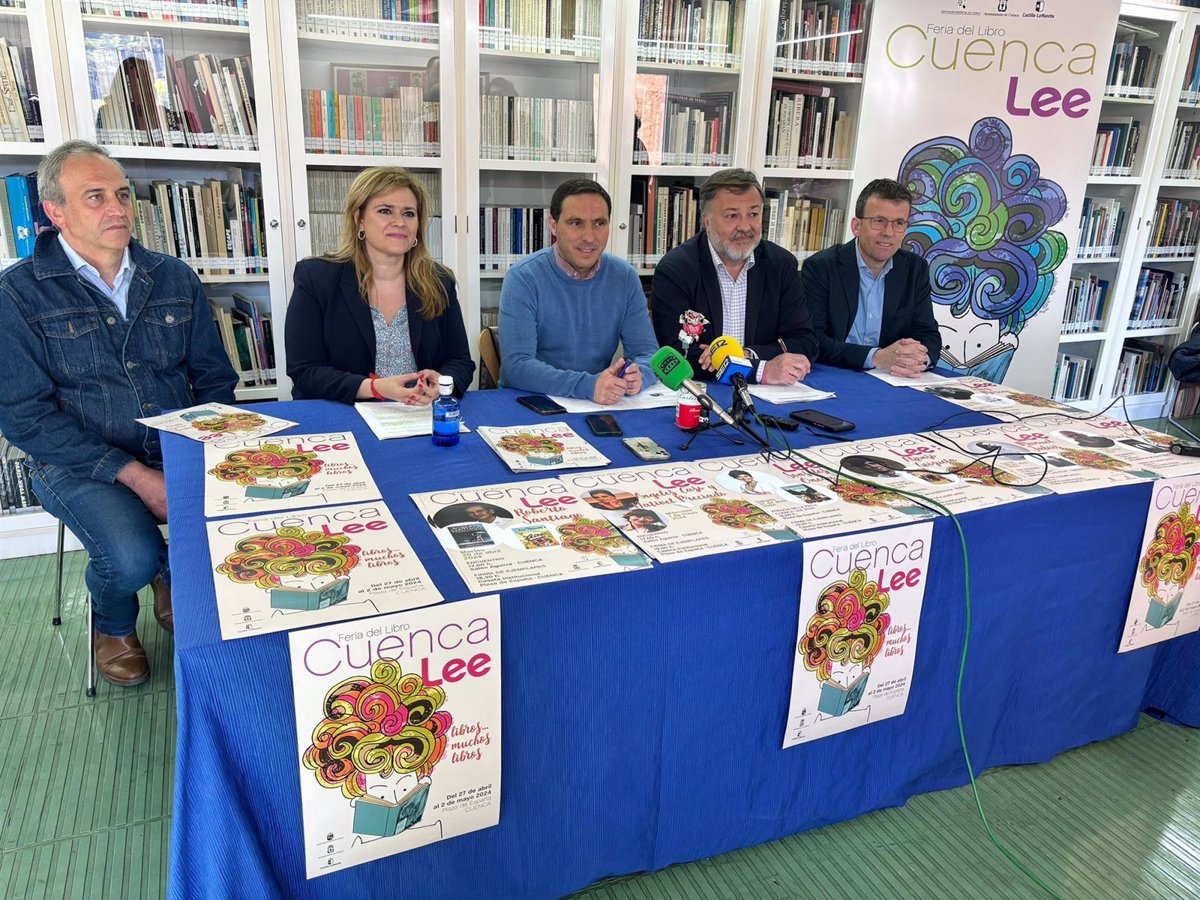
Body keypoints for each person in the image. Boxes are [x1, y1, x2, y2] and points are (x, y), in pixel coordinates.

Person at [0, 140, 238, 686]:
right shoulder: (17, 295)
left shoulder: (173, 277)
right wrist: (136, 476)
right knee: (129, 556)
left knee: (248, 523)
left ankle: (168, 572)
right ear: (56, 211)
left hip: (178, 445)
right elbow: (26, 418)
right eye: (96, 197)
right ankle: (113, 621)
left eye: (123, 194)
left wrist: (213, 450)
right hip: (77, 463)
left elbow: (214, 379)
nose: (118, 208)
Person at [285, 167, 474, 403]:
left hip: (419, 411)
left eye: (409, 213)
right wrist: (374, 388)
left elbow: (460, 362)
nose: (400, 222)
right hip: (344, 411)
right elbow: (304, 370)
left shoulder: (438, 281)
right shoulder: (317, 277)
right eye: (385, 211)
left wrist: (443, 384)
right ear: (359, 219)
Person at [651, 168, 818, 384]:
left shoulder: (780, 265)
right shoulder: (676, 270)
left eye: (753, 214)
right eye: (732, 216)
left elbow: (805, 342)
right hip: (703, 390)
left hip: (772, 393)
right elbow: (677, 356)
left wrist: (744, 355)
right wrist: (762, 370)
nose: (745, 227)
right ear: (706, 220)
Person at [499, 178, 659, 404]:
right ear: (553, 225)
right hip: (531, 402)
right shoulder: (524, 277)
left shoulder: (625, 277)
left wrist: (639, 375)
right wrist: (588, 385)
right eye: (576, 223)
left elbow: (648, 354)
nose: (589, 237)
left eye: (599, 223)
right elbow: (517, 367)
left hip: (596, 402)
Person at [801, 178, 942, 375]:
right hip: (835, 373)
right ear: (856, 226)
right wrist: (875, 357)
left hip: (892, 376)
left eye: (898, 223)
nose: (889, 232)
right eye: (879, 221)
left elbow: (928, 334)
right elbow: (812, 340)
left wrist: (919, 359)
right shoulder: (821, 267)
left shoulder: (915, 269)